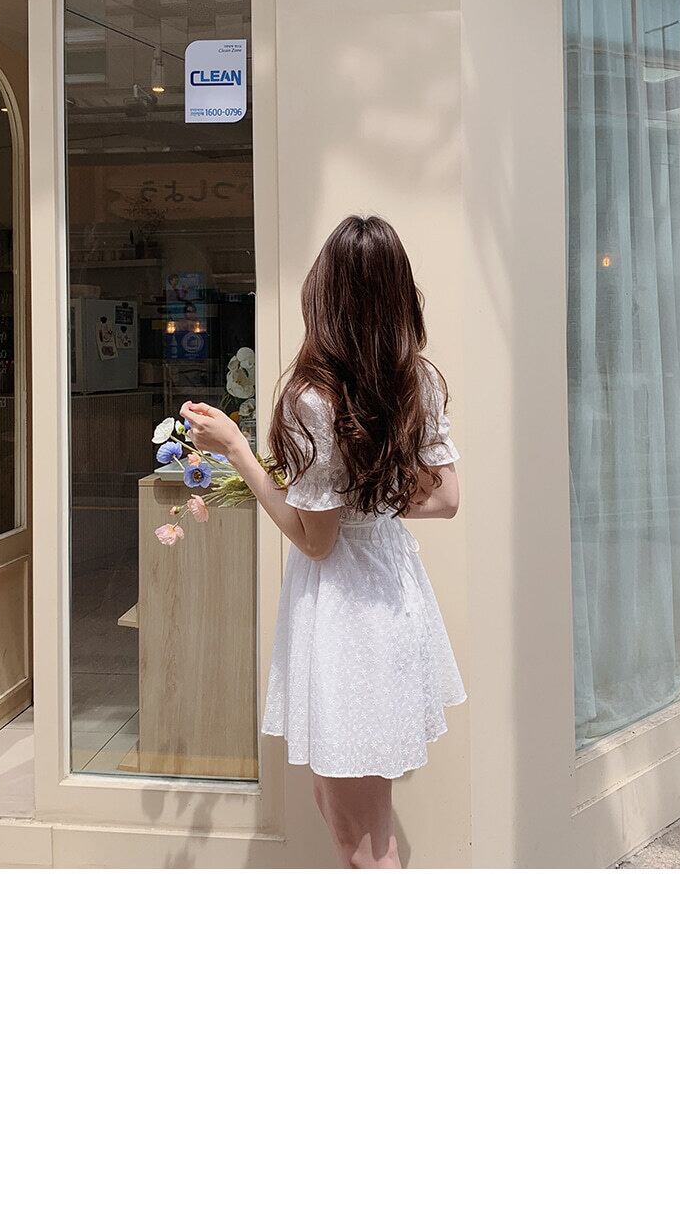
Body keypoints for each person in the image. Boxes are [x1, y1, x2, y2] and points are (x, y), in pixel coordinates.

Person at [181, 214, 465, 868]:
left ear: (325, 294)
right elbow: (446, 497)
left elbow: (315, 539)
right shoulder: (417, 380)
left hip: (345, 615)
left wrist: (236, 449)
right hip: (392, 597)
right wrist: (370, 490)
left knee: (358, 840)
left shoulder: (313, 398)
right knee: (356, 817)